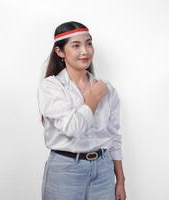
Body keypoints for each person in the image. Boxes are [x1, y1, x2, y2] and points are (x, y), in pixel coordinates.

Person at [37, 21, 126, 200]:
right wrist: (93, 99)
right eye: (76, 45)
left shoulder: (106, 89)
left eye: (89, 43)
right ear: (60, 52)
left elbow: (113, 135)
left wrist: (121, 180)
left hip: (103, 171)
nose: (85, 51)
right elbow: (73, 128)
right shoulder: (51, 87)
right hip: (66, 171)